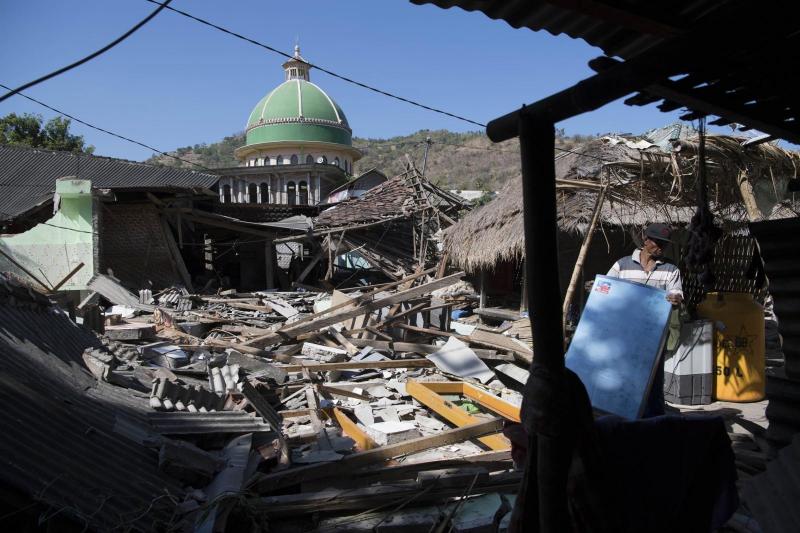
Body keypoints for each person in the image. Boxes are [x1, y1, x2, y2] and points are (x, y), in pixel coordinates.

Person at [606, 223, 683, 417]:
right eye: (659, 242)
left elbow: (676, 293)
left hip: (654, 335)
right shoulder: (622, 265)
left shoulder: (670, 270)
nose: (662, 247)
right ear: (646, 240)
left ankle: (653, 419)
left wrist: (676, 298)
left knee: (653, 378)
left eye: (665, 244)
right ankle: (620, 411)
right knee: (623, 374)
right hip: (625, 333)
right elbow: (608, 287)